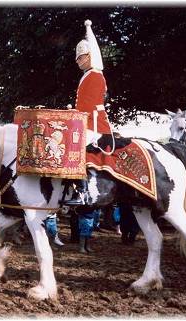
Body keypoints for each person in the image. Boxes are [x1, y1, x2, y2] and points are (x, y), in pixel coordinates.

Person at [64, 20, 127, 206]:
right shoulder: (88, 75)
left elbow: (89, 105)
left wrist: (75, 115)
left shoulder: (95, 75)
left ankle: (82, 190)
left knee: (73, 146)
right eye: (77, 58)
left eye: (81, 57)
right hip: (89, 120)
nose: (78, 61)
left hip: (94, 123)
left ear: (90, 56)